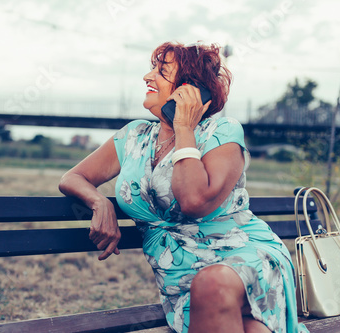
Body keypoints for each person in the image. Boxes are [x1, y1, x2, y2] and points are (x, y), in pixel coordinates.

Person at [58, 41, 308, 333]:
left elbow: (193, 200)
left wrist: (184, 128)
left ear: (190, 89)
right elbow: (72, 178)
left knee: (213, 285)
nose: (147, 77)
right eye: (152, 69)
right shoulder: (133, 136)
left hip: (240, 255)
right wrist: (99, 202)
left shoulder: (222, 133)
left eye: (162, 71)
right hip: (179, 273)